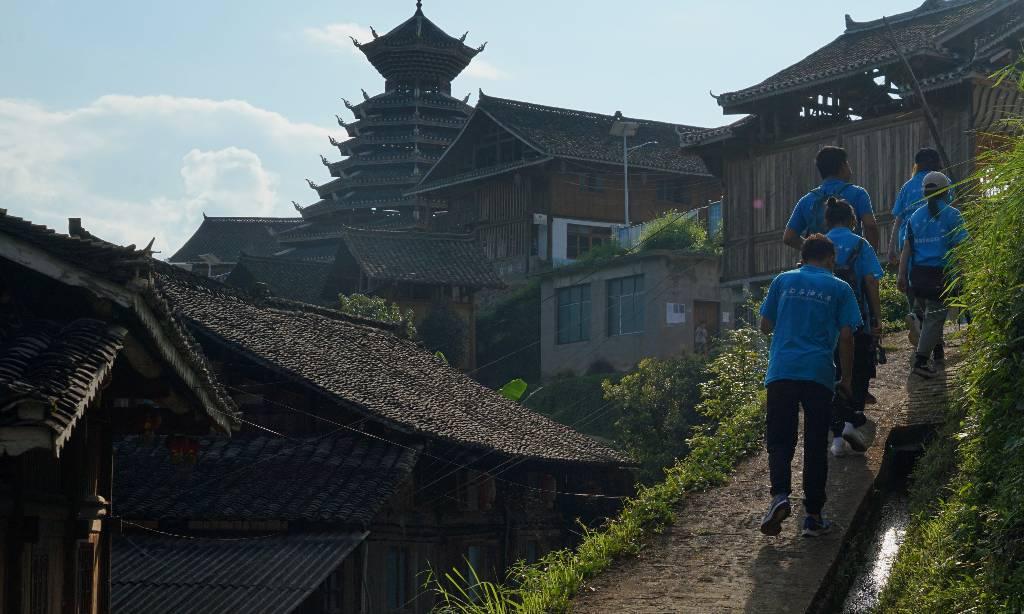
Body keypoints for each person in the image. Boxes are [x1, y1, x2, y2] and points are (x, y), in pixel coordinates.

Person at [758, 234, 862, 538]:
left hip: (782, 371)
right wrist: (847, 379)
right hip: (818, 373)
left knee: (780, 439)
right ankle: (813, 517)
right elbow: (847, 337)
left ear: (802, 257)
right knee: (816, 444)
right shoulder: (840, 287)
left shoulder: (783, 280)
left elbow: (765, 326)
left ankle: (779, 496)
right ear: (830, 259)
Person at [824, 197, 884, 457]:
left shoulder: (817, 244)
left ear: (826, 220)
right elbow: (871, 281)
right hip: (856, 319)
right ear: (852, 221)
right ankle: (850, 423)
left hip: (824, 325)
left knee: (831, 376)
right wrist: (877, 318)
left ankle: (836, 438)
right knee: (857, 371)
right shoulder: (861, 244)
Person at [897, 171, 966, 378]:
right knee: (935, 319)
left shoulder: (915, 217)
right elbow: (963, 248)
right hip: (941, 276)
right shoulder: (952, 215)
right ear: (946, 191)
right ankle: (920, 360)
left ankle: (935, 348)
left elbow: (907, 248)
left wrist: (901, 276)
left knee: (930, 318)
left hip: (917, 276)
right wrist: (964, 273)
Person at [888, 148, 949, 359]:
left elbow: (897, 219)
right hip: (936, 254)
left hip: (909, 251)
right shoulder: (943, 181)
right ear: (936, 162)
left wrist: (890, 249)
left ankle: (915, 317)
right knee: (937, 303)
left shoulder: (907, 186)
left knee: (916, 294)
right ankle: (936, 345)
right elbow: (953, 211)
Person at [783, 146, 879, 252]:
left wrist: (813, 252)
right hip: (852, 261)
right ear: (843, 167)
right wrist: (870, 256)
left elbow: (789, 237)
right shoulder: (858, 193)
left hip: (820, 264)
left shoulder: (806, 201)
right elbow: (870, 226)